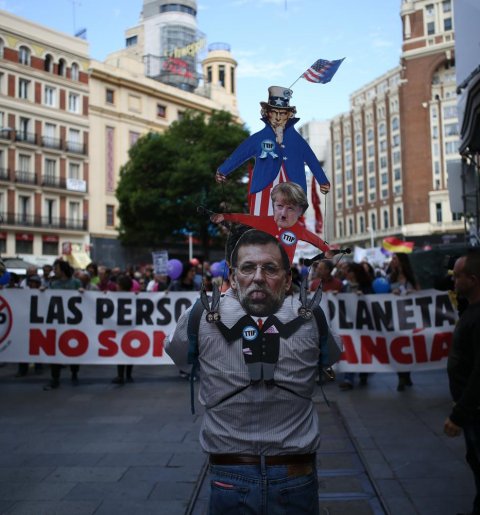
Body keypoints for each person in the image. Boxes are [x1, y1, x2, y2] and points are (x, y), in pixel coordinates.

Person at [167, 229, 329, 515]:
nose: (257, 277)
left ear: (288, 277)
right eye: (248, 267)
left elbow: (181, 359)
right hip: (268, 473)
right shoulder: (312, 315)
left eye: (269, 268)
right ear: (233, 276)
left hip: (270, 473)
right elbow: (330, 358)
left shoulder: (201, 315)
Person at [215, 86, 330, 216]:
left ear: (289, 115)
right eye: (274, 112)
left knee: (289, 229)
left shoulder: (297, 140)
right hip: (263, 188)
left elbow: (312, 160)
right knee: (261, 225)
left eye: (282, 113)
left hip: (294, 190)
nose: (277, 117)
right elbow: (240, 153)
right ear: (266, 113)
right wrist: (224, 170)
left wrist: (323, 181)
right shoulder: (259, 137)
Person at [210, 182, 330, 263]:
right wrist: (223, 216)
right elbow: (243, 218)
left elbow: (317, 241)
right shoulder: (263, 221)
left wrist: (329, 251)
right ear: (273, 205)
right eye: (279, 206)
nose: (283, 214)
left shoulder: (299, 231)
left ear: (300, 212)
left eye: (290, 208)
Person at [444, 250, 480, 515]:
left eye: (458, 276)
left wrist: (459, 414)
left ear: (473, 279)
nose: (453, 281)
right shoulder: (471, 311)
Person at [43, 259, 82, 390]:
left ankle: (74, 373)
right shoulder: (53, 284)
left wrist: (82, 291)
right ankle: (55, 378)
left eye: (56, 269)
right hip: (58, 323)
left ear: (63, 270)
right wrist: (42, 292)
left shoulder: (76, 283)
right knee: (56, 351)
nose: (55, 271)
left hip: (73, 324)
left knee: (73, 349)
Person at [387, 252, 420, 391]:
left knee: (409, 347)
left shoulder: (411, 277)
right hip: (394, 318)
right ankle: (401, 376)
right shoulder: (389, 277)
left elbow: (420, 293)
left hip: (409, 318)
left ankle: (407, 374)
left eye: (395, 258)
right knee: (397, 346)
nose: (392, 260)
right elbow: (382, 295)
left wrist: (413, 292)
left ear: (401, 261)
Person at [339, 262, 373, 391]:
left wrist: (363, 296)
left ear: (355, 273)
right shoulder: (345, 287)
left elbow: (373, 299)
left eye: (348, 271)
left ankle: (363, 373)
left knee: (363, 347)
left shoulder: (366, 286)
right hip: (349, 324)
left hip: (363, 324)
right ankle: (349, 378)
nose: (345, 273)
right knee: (350, 348)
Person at [112, 274, 134, 385]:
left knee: (121, 350)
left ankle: (121, 375)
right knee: (129, 350)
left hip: (121, 327)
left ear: (120, 286)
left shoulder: (115, 297)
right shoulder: (134, 296)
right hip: (131, 327)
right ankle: (129, 374)